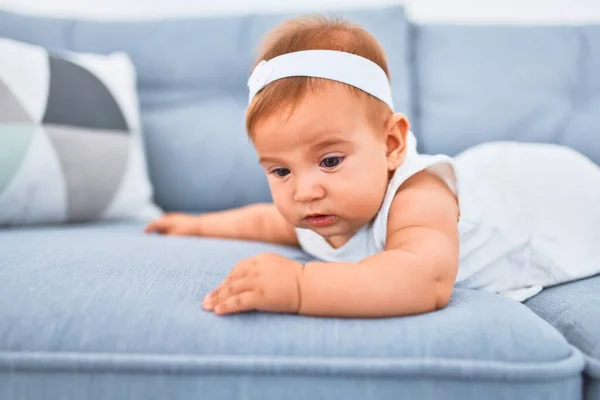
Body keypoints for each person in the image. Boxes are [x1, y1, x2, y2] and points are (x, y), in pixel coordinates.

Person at [145, 16, 600, 318]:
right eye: (280, 171)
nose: (304, 190)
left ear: (391, 144)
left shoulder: (418, 199)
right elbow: (267, 221)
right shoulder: (323, 209)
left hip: (551, 196)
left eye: (329, 161)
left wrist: (301, 286)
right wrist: (198, 225)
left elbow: (426, 279)